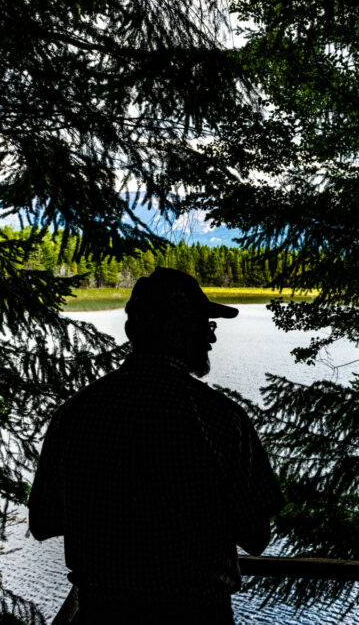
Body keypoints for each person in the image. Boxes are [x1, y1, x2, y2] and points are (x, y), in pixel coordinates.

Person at [28, 267, 284, 624]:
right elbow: (257, 537)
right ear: (174, 330)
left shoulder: (74, 414)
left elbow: (43, 522)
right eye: (205, 326)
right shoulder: (222, 419)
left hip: (101, 615)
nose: (211, 338)